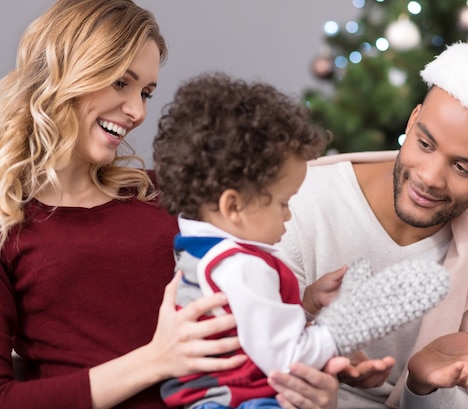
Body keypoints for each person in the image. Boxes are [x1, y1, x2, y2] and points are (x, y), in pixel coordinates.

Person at [0, 1, 337, 408]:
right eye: (121, 83)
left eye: (145, 92)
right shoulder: (9, 224)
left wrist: (304, 317)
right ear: (65, 72)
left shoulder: (163, 193)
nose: (138, 111)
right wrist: (155, 361)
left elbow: (228, 316)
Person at [273, 42, 468, 408]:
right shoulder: (300, 199)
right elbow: (240, 345)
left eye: (463, 168)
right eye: (425, 144)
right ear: (412, 120)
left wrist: (427, 387)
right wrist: (314, 338)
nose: (430, 177)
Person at [152, 72, 450, 409]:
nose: (289, 216)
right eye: (282, 203)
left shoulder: (201, 249)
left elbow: (250, 328)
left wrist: (307, 306)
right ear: (232, 206)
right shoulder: (241, 267)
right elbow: (285, 358)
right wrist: (335, 332)